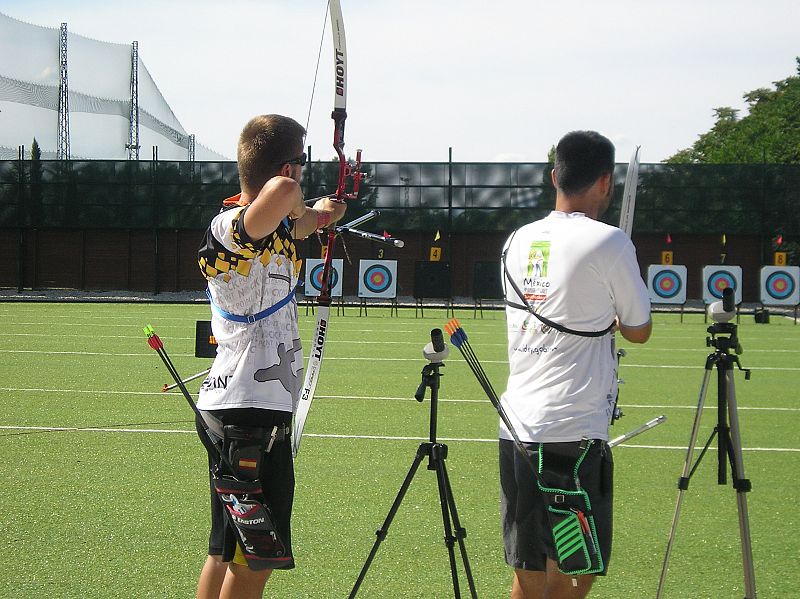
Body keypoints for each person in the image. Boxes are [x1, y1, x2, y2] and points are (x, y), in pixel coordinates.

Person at [195, 114, 347, 599]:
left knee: (226, 549)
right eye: (301, 164)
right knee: (254, 556)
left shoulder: (276, 230)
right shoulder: (229, 229)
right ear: (287, 167)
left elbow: (298, 218)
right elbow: (281, 194)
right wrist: (299, 192)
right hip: (248, 414)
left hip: (247, 408)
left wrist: (324, 214)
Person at [499, 130, 652, 599]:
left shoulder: (518, 239)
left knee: (529, 566)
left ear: (554, 177)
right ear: (606, 182)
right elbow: (639, 329)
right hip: (574, 431)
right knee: (575, 566)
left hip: (518, 427)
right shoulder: (610, 242)